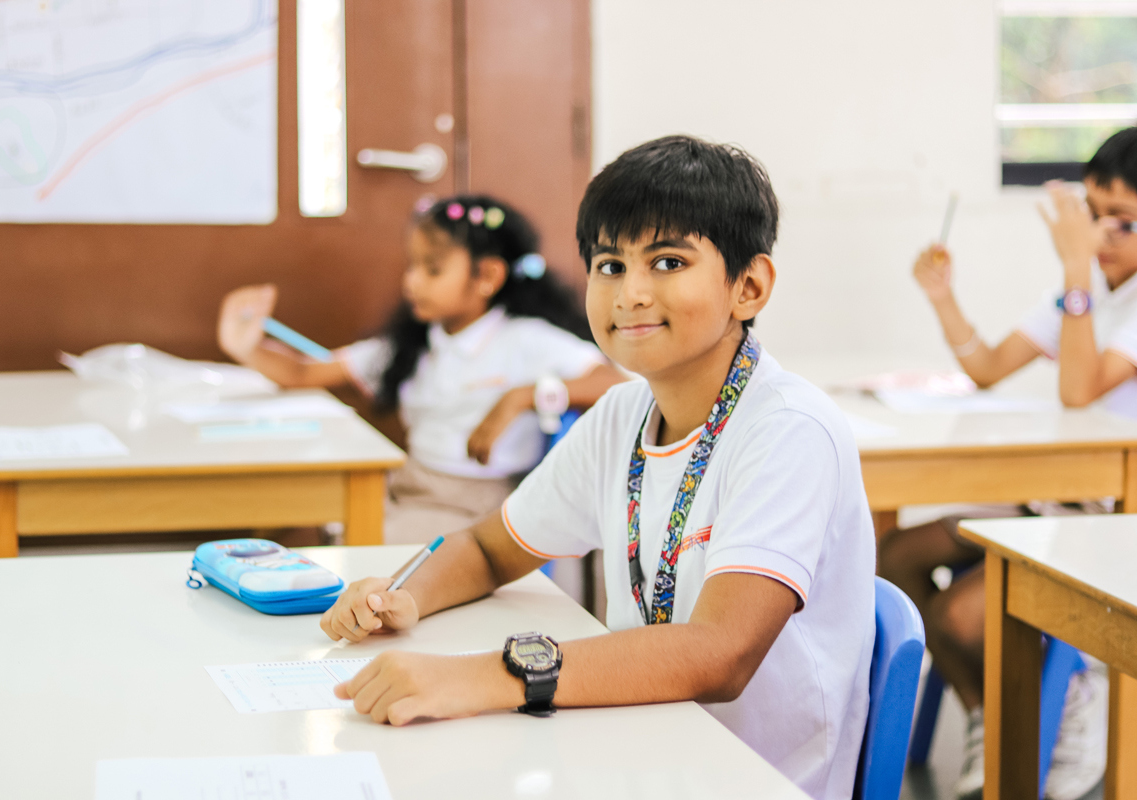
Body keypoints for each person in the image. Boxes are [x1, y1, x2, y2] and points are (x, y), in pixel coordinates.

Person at [318, 136, 876, 800]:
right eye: (610, 265)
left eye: (668, 261)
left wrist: (474, 677)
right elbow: (489, 549)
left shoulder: (788, 431)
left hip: (751, 776)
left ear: (748, 287)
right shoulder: (621, 415)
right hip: (636, 745)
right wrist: (404, 595)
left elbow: (718, 653)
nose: (631, 293)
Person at [879, 127, 1137, 800]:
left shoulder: (1102, 291)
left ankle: (1061, 700)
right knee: (895, 557)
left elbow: (1078, 389)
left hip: (1113, 511)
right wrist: (943, 296)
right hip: (1060, 492)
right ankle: (991, 716)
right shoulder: (1091, 293)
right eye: (1091, 212)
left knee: (960, 617)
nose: (1101, 235)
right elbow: (989, 368)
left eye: (1124, 222)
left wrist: (1076, 270)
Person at [218, 195, 626, 544]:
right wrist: (246, 345)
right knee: (283, 522)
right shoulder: (414, 344)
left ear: (487, 276)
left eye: (432, 270)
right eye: (411, 266)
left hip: (476, 507)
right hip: (405, 486)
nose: (412, 282)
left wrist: (520, 397)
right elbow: (302, 374)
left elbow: (610, 383)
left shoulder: (525, 339)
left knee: (354, 546)